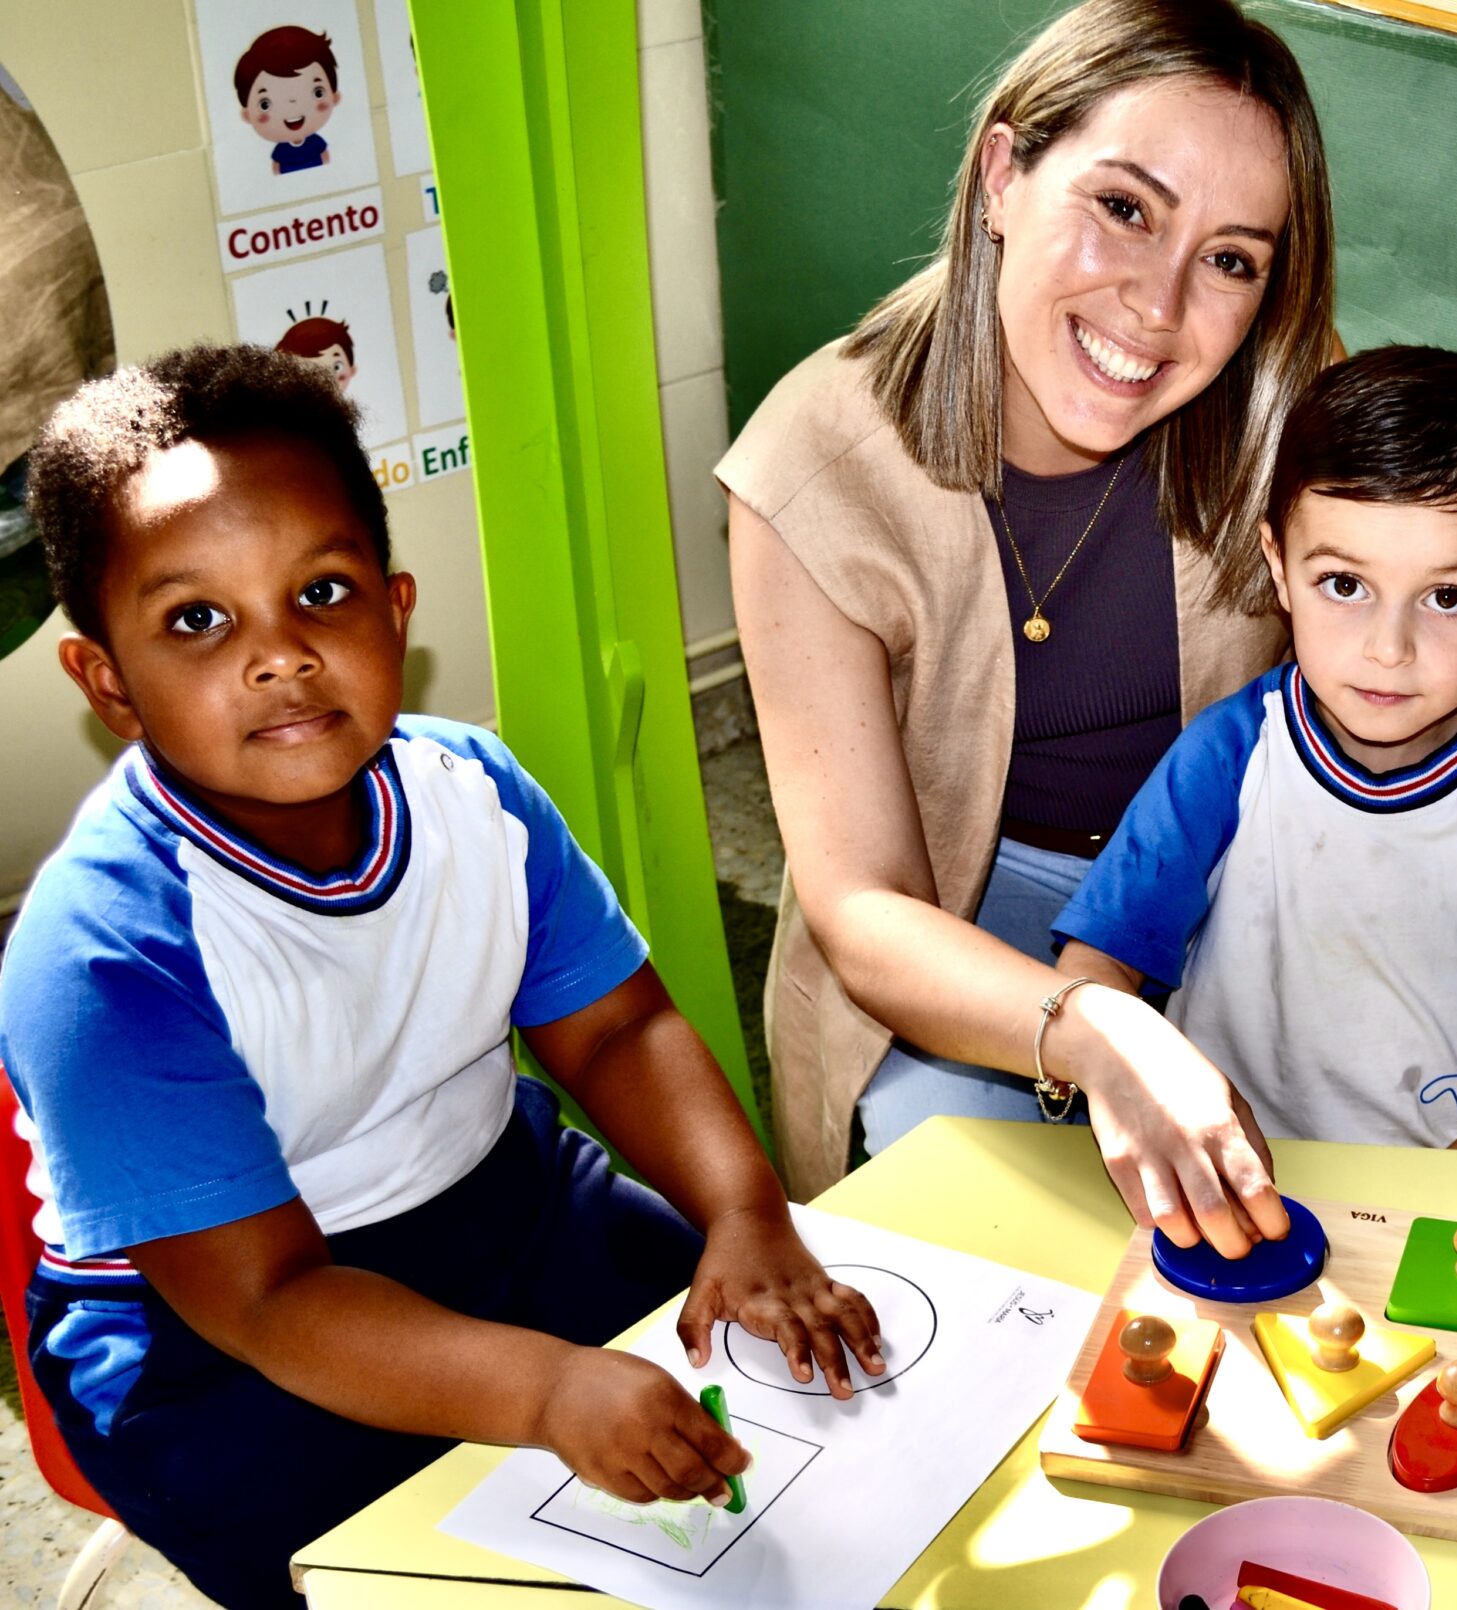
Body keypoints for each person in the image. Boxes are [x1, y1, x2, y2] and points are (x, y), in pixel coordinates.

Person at [3, 345, 884, 1610]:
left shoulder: (473, 790)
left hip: (504, 1200)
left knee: (787, 1416)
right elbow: (266, 1297)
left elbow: (618, 1030)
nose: (280, 656)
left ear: (397, 608)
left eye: (322, 592)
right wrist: (539, 1385)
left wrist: (746, 1209)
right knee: (436, 1578)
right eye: (197, 619)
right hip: (215, 1333)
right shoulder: (102, 955)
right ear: (108, 684)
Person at [720, 0, 1457, 1234]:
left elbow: (1389, 574)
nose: (1157, 304)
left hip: (1238, 875)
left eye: (1233, 258)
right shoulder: (813, 467)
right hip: (956, 940)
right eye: (1124, 208)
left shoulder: (1280, 395)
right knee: (1010, 1259)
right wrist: (1092, 1030)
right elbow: (864, 908)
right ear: (1000, 174)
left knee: (1310, 1219)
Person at [1053, 347, 1457, 1151]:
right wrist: (1161, 1103)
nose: (1388, 649)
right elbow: (1095, 969)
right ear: (1279, 568)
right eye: (1344, 584)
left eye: (1447, 598)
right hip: (1245, 1169)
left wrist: (1454, 1186)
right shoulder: (1226, 760)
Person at [232, 25, 340, 176]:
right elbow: (276, 167)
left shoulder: (315, 141)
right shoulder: (281, 150)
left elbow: (325, 156)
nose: (292, 104)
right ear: (247, 115)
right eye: (265, 104)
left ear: (335, 97)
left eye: (318, 92)